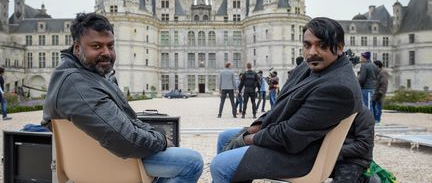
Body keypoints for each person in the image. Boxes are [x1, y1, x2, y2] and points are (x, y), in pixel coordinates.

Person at [42, 12, 203, 182]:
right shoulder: (78, 85)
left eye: (110, 46)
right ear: (77, 47)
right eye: (96, 46)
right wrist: (161, 140)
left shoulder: (89, 76)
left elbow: (127, 121)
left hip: (95, 164)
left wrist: (153, 134)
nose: (106, 53)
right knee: (192, 162)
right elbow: (126, 139)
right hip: (113, 165)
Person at [210, 17, 362, 182]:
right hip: (288, 142)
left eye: (322, 45)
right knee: (225, 137)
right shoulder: (311, 66)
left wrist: (245, 139)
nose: (312, 52)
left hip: (299, 156)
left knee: (220, 164)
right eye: (307, 45)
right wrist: (254, 129)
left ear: (339, 48)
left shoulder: (338, 88)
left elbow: (290, 135)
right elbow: (279, 108)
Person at [332, 105, 375, 183]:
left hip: (354, 159)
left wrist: (332, 151)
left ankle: (364, 179)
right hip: (333, 156)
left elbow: (363, 146)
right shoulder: (330, 109)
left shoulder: (363, 113)